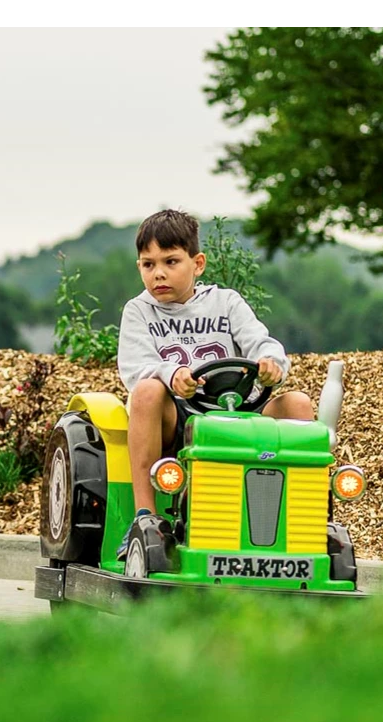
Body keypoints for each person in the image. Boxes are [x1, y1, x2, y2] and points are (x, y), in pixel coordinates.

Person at [115, 208, 314, 559]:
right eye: (148, 264)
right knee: (146, 389)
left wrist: (270, 364)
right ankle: (144, 519)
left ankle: (303, 525)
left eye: (171, 261)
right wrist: (171, 375)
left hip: (236, 413)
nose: (159, 273)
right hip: (176, 419)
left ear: (198, 264)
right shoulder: (139, 311)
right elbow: (135, 367)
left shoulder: (226, 303)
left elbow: (262, 343)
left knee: (297, 403)